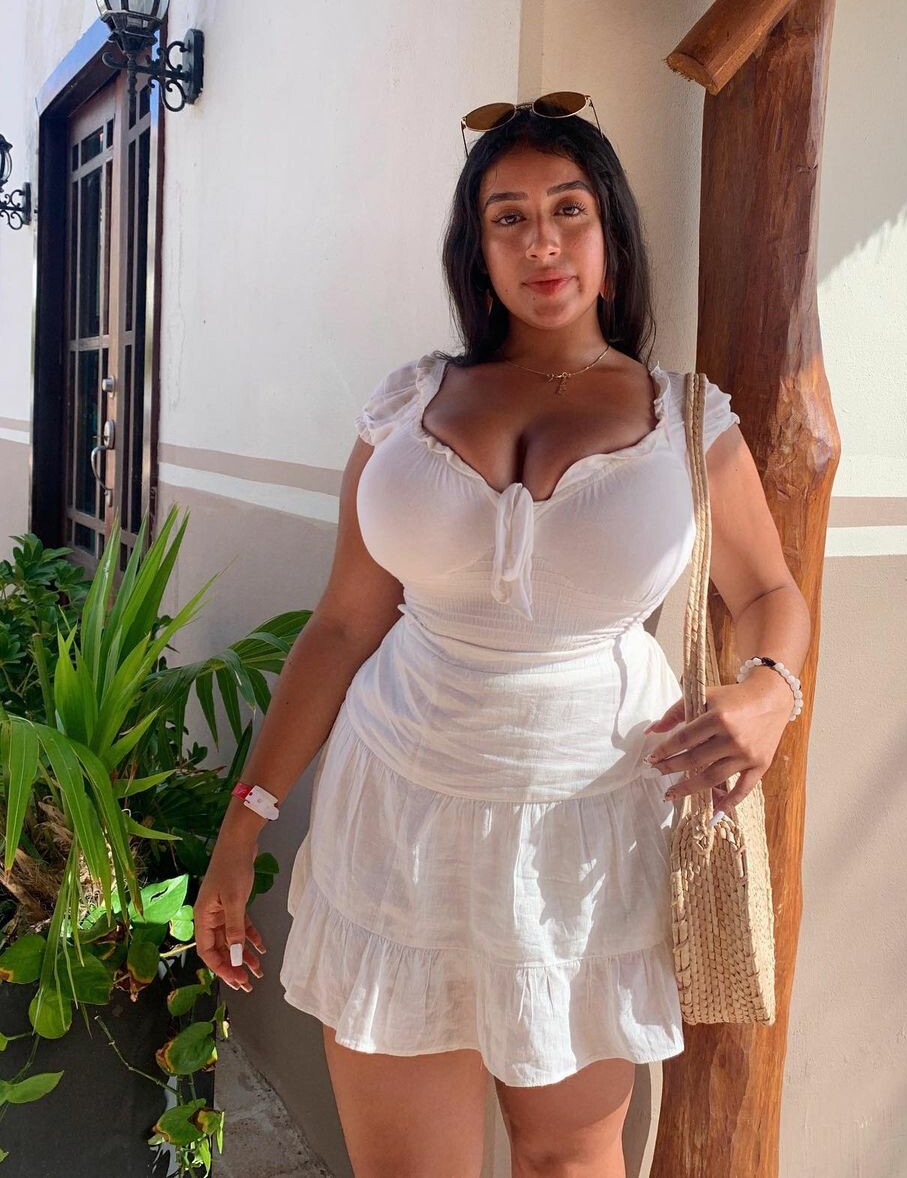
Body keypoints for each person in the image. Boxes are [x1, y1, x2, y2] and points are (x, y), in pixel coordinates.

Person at [194, 93, 812, 1178]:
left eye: (569, 210)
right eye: (509, 217)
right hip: (398, 817)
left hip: (589, 827)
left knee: (570, 1156)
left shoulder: (685, 419)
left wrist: (769, 693)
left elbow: (768, 591)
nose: (542, 242)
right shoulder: (407, 403)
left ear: (611, 239)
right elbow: (342, 625)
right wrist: (245, 823)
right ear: (477, 253)